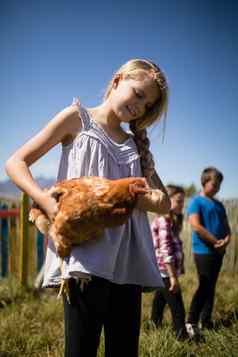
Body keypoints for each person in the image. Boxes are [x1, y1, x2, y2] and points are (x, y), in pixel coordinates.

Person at [5, 59, 171, 357]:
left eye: (147, 105)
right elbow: (15, 162)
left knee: (124, 350)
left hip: (128, 262)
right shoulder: (77, 120)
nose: (139, 106)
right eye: (138, 93)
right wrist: (43, 201)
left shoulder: (135, 147)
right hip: (85, 258)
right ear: (118, 80)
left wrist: (136, 197)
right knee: (80, 349)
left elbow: (165, 202)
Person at [185, 167, 231, 338]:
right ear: (204, 182)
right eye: (214, 183)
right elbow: (196, 225)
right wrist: (215, 241)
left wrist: (227, 240)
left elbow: (227, 226)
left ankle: (206, 320)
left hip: (219, 250)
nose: (217, 186)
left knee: (211, 286)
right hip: (203, 250)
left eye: (219, 183)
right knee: (205, 285)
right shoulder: (196, 202)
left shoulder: (219, 204)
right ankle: (191, 321)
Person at [151, 185, 189, 341]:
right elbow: (165, 251)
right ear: (168, 201)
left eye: (183, 202)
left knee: (160, 298)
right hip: (165, 270)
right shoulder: (163, 221)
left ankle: (154, 326)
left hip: (164, 270)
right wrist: (173, 276)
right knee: (178, 308)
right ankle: (182, 337)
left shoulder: (172, 221)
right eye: (178, 201)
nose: (182, 205)